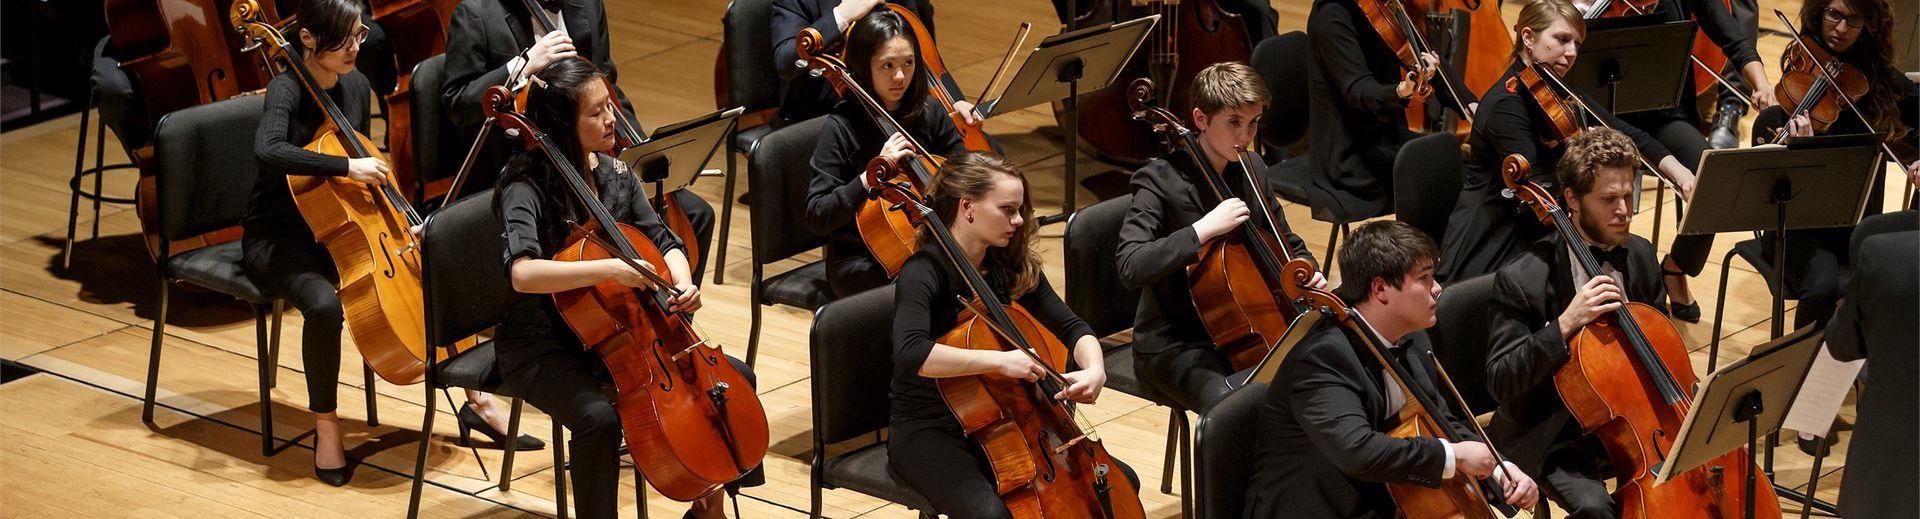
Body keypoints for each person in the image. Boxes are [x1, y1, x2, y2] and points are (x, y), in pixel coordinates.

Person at [245, 0, 535, 488]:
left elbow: (369, 171)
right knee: (323, 307)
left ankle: (476, 401)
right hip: (280, 237)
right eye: (346, 39)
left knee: (438, 267)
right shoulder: (285, 89)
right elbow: (269, 149)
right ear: (309, 39)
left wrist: (402, 217)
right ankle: (328, 427)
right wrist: (343, 167)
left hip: (345, 226)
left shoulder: (355, 86)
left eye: (361, 35)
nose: (359, 47)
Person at [491, 59, 759, 519]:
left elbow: (663, 239)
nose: (612, 119)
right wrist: (608, 269)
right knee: (598, 420)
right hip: (544, 344)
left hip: (623, 335)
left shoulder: (616, 174)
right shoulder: (524, 187)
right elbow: (522, 273)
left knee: (735, 382)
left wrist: (682, 281)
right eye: (595, 113)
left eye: (609, 105)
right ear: (562, 124)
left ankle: (708, 504)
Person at [889, 152, 1135, 519]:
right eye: (1007, 209)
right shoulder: (924, 271)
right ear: (967, 208)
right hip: (931, 429)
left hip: (1009, 419)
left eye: (1020, 209)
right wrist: (1001, 361)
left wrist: (1095, 369)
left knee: (1118, 482)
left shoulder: (1006, 262)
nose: (1018, 220)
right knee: (993, 516)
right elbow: (911, 353)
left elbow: (1073, 328)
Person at [1244, 220, 1538, 518]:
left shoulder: (1411, 336)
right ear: (1381, 289)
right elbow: (1357, 451)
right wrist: (1454, 456)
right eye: (1424, 278)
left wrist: (1501, 469)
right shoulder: (1322, 360)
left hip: (1385, 498)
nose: (1437, 288)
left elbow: (1439, 420)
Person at [443, 0, 717, 278]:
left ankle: (671, 317)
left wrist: (640, 148)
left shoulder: (586, 4)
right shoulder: (477, 14)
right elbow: (456, 103)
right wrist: (520, 67)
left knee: (696, 216)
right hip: (528, 159)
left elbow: (607, 85)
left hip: (594, 154)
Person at [1116, 61, 1324, 414]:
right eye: (1234, 123)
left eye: (1253, 122)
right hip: (1176, 343)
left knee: (1326, 371)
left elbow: (1286, 239)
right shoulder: (1158, 181)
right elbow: (1130, 264)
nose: (1246, 136)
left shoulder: (1252, 167)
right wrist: (1202, 229)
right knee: (1238, 409)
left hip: (1249, 324)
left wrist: (1307, 270)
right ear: (1200, 119)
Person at [1437, 0, 1693, 283]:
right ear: (1528, 38)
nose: (1571, 52)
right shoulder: (1505, 104)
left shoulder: (1558, 89)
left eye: (1577, 43)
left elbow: (1624, 133)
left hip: (1545, 224)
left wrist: (1679, 174)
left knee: (1634, 252)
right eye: (1561, 39)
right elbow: (1537, 181)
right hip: (1499, 237)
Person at [1484, 128, 1669, 519]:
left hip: (1633, 424)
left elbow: (1663, 345)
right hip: (1556, 433)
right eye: (1609, 200)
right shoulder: (1523, 279)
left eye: (1628, 196)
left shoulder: (1640, 255)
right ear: (1571, 200)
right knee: (1596, 511)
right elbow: (1501, 380)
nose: (1624, 210)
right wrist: (1565, 323)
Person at [1567, 0, 1778, 322]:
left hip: (1664, 114)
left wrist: (1762, 85)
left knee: (1712, 180)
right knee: (1604, 194)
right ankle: (1606, 284)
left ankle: (1675, 268)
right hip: (1601, 119)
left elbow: (1733, 38)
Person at [1747, 0, 1919, 332]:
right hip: (1796, 227)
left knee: (1902, 270)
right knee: (1822, 283)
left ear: (1869, 24)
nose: (1840, 29)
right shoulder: (1804, 64)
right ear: (1818, 12)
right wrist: (1800, 149)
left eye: (1853, 20)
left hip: (1858, 224)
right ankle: (1803, 375)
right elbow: (1766, 178)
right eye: (1834, 15)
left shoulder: (1879, 82)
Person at [804, 8, 966, 298]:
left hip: (928, 243)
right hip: (860, 258)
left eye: (908, 63)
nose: (900, 76)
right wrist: (868, 178)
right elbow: (818, 214)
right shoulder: (842, 127)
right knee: (929, 289)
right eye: (887, 66)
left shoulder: (929, 112)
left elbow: (964, 171)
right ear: (865, 67)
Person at [1282, 0, 1474, 224]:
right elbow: (1358, 90)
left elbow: (1426, 56)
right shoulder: (1330, 16)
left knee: (1461, 167)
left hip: (1389, 140)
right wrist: (1401, 91)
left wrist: (1470, 104)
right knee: (1451, 178)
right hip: (1349, 157)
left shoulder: (1382, 6)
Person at [771, 0, 951, 126]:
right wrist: (841, 16)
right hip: (827, 117)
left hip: (901, 112)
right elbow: (785, 62)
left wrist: (954, 101)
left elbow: (927, 55)